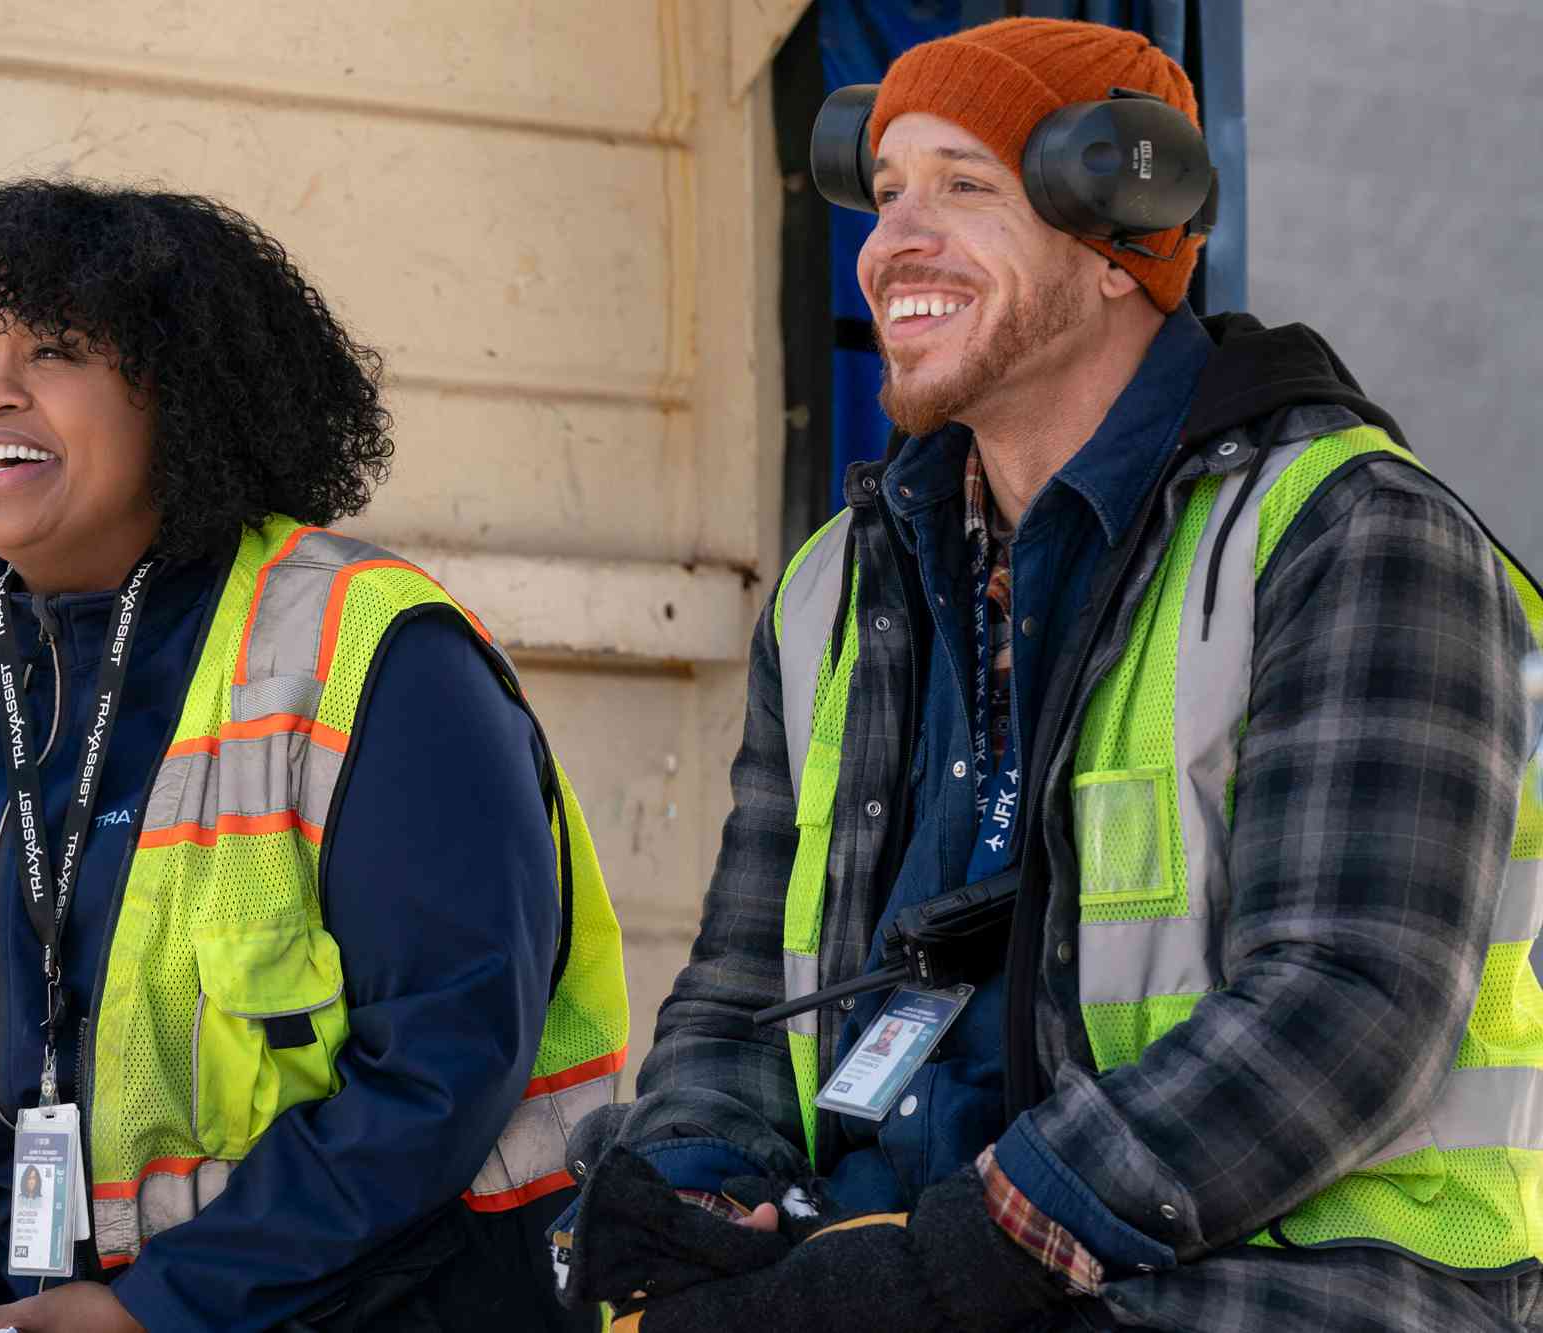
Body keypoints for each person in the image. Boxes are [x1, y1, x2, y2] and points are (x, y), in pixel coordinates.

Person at [557, 17, 1543, 1333]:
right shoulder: (834, 587)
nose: (893, 243)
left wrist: (941, 1267)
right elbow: (743, 979)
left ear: (1119, 239)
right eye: (890, 189)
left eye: (966, 189)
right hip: (924, 1274)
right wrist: (683, 1191)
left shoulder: (1349, 535)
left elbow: (1346, 1010)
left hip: (1295, 1291)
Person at [0, 179, 628, 1333]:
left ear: (187, 392)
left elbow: (440, 1064)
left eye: (54, 349)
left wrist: (153, 1309)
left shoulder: (372, 650)